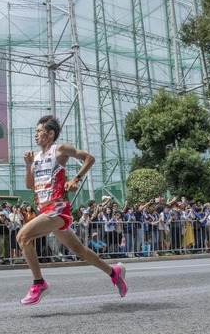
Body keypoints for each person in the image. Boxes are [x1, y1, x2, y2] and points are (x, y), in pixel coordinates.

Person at [16, 115, 127, 305]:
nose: (36, 135)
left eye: (39, 131)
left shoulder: (59, 149)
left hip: (57, 208)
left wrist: (76, 178)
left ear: (50, 134)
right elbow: (29, 185)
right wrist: (28, 166)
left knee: (22, 237)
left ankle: (39, 283)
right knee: (80, 250)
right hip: (45, 210)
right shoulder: (35, 157)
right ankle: (113, 272)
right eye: (35, 132)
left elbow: (89, 159)